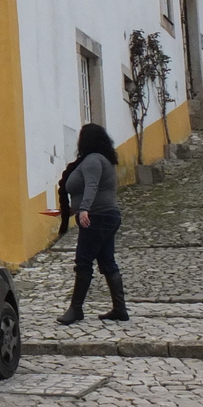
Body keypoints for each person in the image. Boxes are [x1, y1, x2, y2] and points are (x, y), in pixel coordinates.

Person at [55, 123, 128, 324]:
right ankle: (120, 309)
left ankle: (76, 309)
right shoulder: (103, 159)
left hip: (97, 217)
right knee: (107, 261)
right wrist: (74, 209)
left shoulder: (92, 160)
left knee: (83, 261)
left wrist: (84, 209)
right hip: (107, 216)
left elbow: (92, 186)